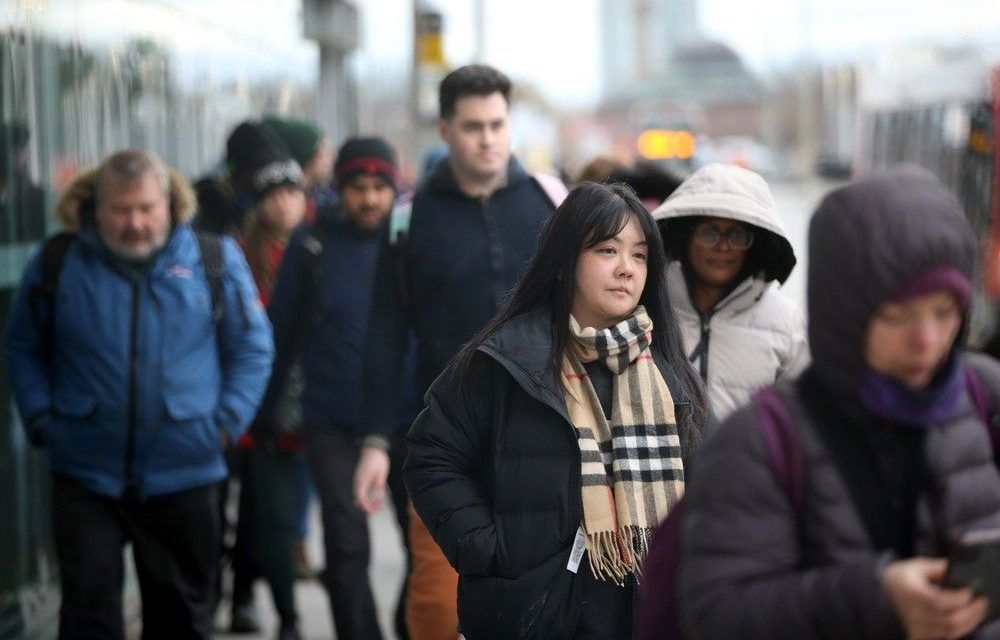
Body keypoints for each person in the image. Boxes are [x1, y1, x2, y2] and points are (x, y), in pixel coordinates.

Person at [675, 166, 1000, 639]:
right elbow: (717, 615)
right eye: (897, 316)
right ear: (844, 313)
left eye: (945, 312)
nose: (926, 340)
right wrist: (875, 597)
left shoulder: (987, 398)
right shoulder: (761, 441)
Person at [404, 182, 707, 639]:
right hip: (529, 610)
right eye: (608, 250)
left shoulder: (670, 375)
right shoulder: (507, 360)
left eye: (640, 255)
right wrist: (490, 550)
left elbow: (719, 484)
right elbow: (431, 456)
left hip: (642, 613)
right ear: (566, 260)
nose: (626, 269)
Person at [4, 149, 273, 639]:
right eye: (121, 210)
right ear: (95, 207)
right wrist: (42, 418)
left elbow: (253, 348)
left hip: (186, 471)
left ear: (169, 203)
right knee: (88, 616)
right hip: (86, 474)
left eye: (147, 209)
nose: (135, 223)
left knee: (181, 621)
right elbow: (23, 347)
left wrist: (225, 424)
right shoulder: (59, 261)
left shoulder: (213, 259)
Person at [353, 64, 564, 639]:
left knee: (546, 592)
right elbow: (386, 334)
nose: (489, 138)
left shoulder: (552, 203)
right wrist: (375, 440)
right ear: (444, 129)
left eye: (498, 123)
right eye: (473, 126)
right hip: (447, 435)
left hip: (549, 429)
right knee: (437, 596)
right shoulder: (409, 216)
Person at [261, 136, 414, 640]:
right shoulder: (312, 244)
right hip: (332, 421)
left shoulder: (412, 241)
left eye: (378, 187)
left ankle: (405, 625)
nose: (369, 198)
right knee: (347, 548)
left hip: (408, 420)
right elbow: (280, 334)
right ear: (339, 189)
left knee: (424, 546)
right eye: (357, 187)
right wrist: (264, 414)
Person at [652, 163, 807, 419]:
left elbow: (801, 422)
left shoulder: (787, 323)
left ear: (754, 245)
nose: (723, 247)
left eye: (737, 235)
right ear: (685, 237)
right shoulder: (649, 308)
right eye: (709, 232)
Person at [230, 138, 309, 640]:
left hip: (307, 408)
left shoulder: (317, 250)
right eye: (274, 193)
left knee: (264, 511)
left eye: (292, 191)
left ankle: (244, 598)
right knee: (269, 511)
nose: (284, 201)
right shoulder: (238, 256)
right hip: (257, 409)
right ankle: (286, 617)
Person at [263, 115, 337, 213]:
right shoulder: (285, 206)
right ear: (307, 158)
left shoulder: (324, 195)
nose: (332, 158)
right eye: (325, 153)